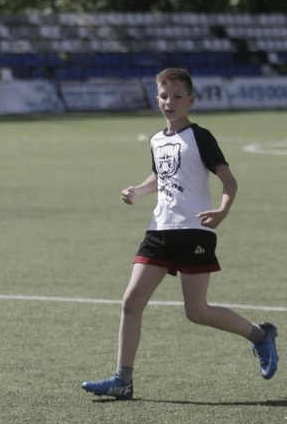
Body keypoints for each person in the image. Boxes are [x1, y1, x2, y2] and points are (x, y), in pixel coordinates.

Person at [82, 67, 278, 401]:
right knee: (131, 302)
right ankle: (122, 380)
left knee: (197, 311)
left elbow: (229, 180)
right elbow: (160, 176)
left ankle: (260, 336)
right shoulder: (158, 140)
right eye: (163, 96)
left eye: (176, 97)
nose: (168, 102)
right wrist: (137, 191)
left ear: (191, 100)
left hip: (194, 230)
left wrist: (222, 210)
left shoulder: (200, 137)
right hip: (160, 229)